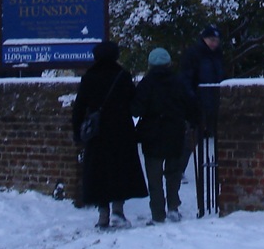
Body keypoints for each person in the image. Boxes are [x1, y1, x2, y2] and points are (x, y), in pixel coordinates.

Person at [71, 40, 147, 230]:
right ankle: (118, 211)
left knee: (99, 173)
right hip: (121, 130)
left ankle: (103, 214)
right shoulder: (122, 76)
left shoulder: (90, 77)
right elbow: (133, 102)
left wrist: (77, 131)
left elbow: (79, 107)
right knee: (119, 171)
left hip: (98, 133)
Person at [132, 48, 198, 224]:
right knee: (173, 173)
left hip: (151, 135)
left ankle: (157, 213)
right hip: (174, 133)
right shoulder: (178, 82)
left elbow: (136, 109)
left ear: (150, 64)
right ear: (169, 64)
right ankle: (173, 207)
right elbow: (190, 107)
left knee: (154, 177)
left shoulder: (146, 83)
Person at [180, 25, 225, 136]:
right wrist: (192, 96)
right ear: (204, 39)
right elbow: (186, 77)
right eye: (212, 40)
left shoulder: (218, 55)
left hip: (214, 100)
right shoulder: (194, 54)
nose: (214, 43)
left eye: (217, 41)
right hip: (198, 102)